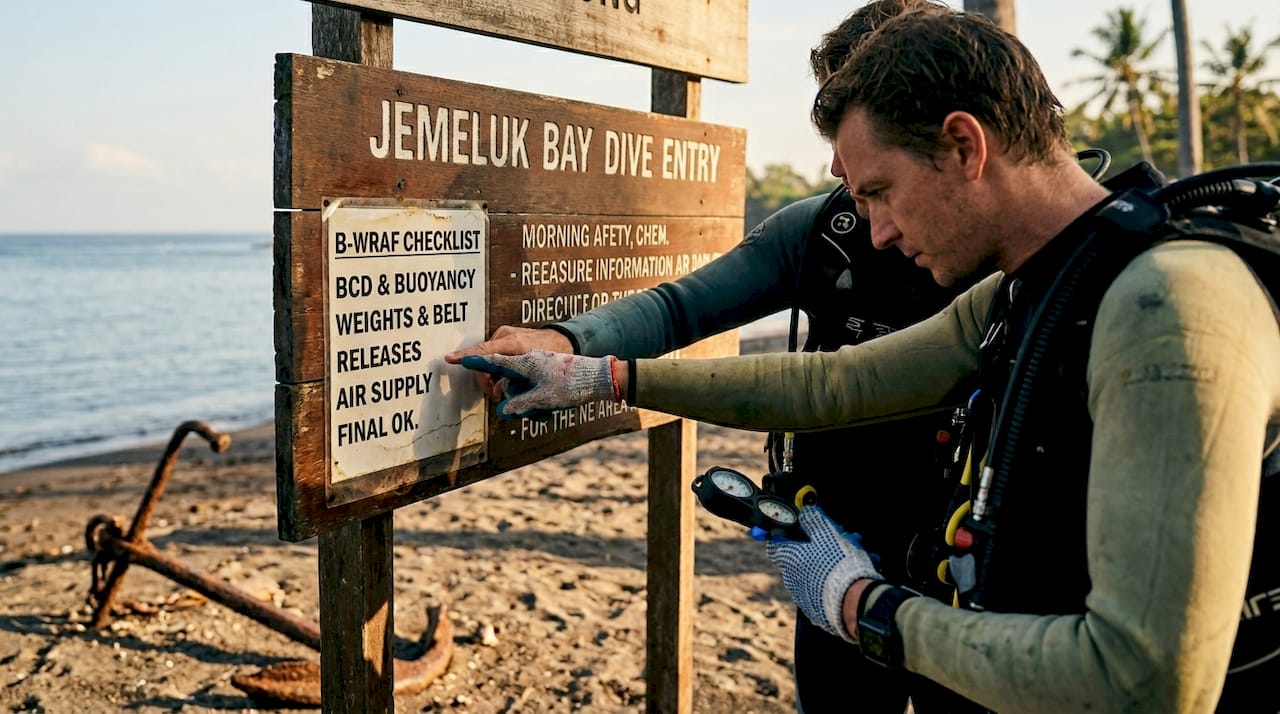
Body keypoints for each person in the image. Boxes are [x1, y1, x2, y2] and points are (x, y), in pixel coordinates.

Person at [448, 7, 1280, 713]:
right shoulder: (1041, 284)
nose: (875, 228)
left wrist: (861, 606)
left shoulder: (1165, 306)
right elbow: (841, 381)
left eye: (879, 190)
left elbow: (1143, 681)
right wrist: (599, 373)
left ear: (964, 145)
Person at [449, 3, 986, 711]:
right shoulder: (823, 231)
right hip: (838, 540)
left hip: (972, 549)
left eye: (857, 124)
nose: (838, 160)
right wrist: (568, 342)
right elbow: (685, 307)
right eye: (833, 124)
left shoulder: (1008, 257)